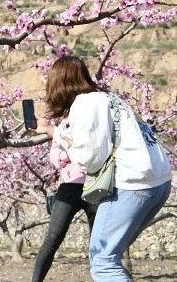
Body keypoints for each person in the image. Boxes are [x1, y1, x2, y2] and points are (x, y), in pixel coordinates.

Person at [41, 55, 171, 281]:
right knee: (111, 254)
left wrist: (57, 136)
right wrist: (60, 133)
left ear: (57, 84)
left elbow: (89, 158)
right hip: (159, 181)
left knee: (103, 261)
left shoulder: (84, 103)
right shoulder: (109, 98)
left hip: (133, 184)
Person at [32, 134, 98, 282]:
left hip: (97, 185)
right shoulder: (65, 125)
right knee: (53, 238)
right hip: (69, 187)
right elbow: (55, 157)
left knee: (98, 242)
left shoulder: (98, 120)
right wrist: (69, 154)